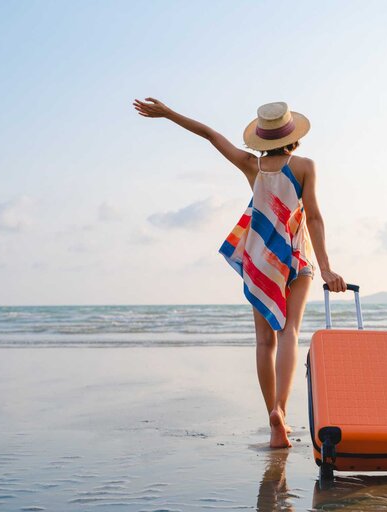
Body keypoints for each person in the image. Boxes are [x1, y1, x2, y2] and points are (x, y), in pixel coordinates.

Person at [133, 98, 346, 448]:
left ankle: (273, 418)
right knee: (290, 330)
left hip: (260, 258)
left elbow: (208, 133)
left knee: (265, 341)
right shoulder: (306, 166)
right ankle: (282, 408)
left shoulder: (251, 165)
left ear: (262, 139)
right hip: (294, 257)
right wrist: (326, 267)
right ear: (293, 136)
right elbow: (315, 218)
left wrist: (169, 113)